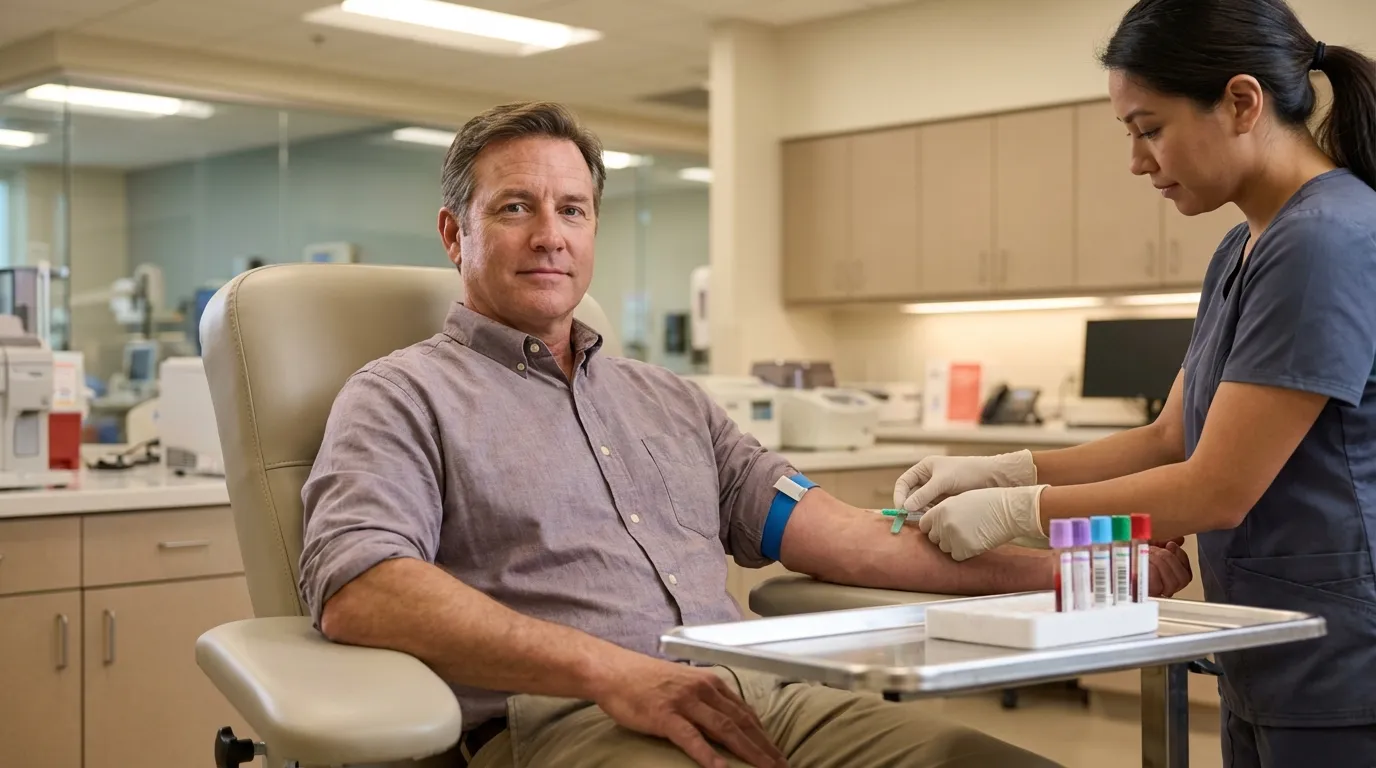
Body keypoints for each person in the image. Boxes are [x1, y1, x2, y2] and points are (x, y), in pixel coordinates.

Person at [300, 101, 1191, 768]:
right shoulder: (400, 397)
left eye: (572, 209)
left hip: (757, 694)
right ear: (456, 232)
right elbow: (363, 589)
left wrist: (1078, 575)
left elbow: (845, 537)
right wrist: (611, 673)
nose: (550, 236)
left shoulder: (670, 403)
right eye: (514, 209)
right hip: (566, 722)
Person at [892, 1, 1376, 765]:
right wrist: (999, 468)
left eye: (1150, 128)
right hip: (1272, 644)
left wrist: (1022, 510)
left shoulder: (1325, 241)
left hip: (1343, 655)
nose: (1138, 160)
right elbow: (1169, 438)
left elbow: (1217, 487)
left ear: (1242, 103)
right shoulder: (1244, 246)